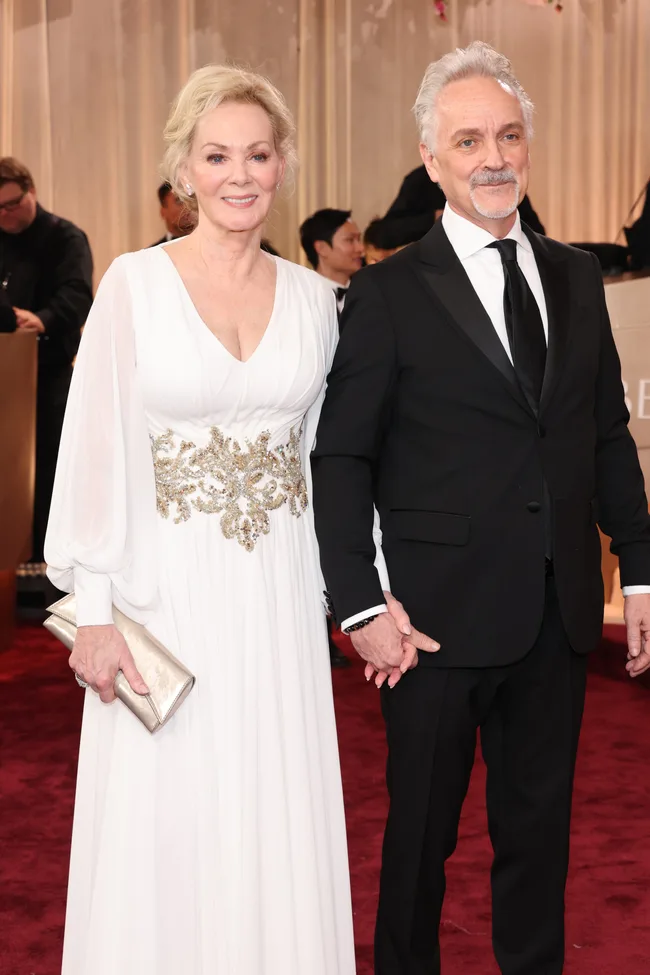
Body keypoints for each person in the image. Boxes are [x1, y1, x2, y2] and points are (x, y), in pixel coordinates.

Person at [312, 41, 650, 975]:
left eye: (508, 136)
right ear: (432, 159)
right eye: (468, 141)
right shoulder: (386, 292)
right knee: (419, 843)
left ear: (528, 146)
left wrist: (641, 568)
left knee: (539, 844)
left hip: (558, 612)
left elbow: (605, 432)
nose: (493, 158)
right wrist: (360, 604)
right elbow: (341, 456)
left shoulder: (575, 275)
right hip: (431, 623)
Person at [45, 65, 356, 975]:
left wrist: (360, 587)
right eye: (217, 156)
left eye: (257, 154)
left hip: (278, 595)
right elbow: (93, 444)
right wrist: (92, 608)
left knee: (272, 798)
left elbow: (332, 460)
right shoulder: (133, 284)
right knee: (168, 813)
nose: (239, 175)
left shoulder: (316, 299)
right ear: (184, 167)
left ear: (282, 163)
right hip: (164, 592)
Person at [0, 157, 93, 567]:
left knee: (49, 473)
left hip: (49, 376)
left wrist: (43, 319)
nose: (5, 215)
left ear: (32, 191)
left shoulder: (65, 237)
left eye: (12, 204)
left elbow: (78, 295)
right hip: (5, 377)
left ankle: (47, 567)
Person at [385, 160, 546, 241]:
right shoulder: (420, 181)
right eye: (467, 143)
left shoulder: (499, 180)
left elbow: (537, 235)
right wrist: (434, 218)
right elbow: (383, 233)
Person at [299, 207, 364, 316]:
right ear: (322, 248)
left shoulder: (368, 292)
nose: (361, 248)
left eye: (359, 239)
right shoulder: (303, 298)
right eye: (350, 240)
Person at [150, 181, 193, 245]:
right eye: (179, 201)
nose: (187, 207)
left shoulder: (208, 246)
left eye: (191, 200)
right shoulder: (153, 251)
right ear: (163, 211)